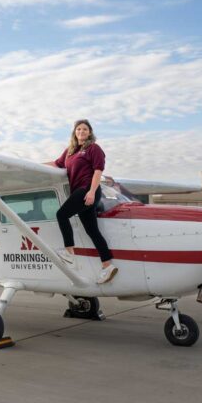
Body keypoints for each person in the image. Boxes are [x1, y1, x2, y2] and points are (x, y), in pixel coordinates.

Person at [47, 119, 117, 284]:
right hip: (81, 193)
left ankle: (69, 252)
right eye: (79, 129)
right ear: (75, 132)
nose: (81, 131)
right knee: (92, 231)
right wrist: (33, 164)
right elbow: (57, 163)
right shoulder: (70, 151)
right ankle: (107, 266)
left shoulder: (93, 148)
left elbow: (98, 171)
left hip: (87, 190)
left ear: (89, 132)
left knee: (61, 215)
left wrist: (92, 192)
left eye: (85, 129)